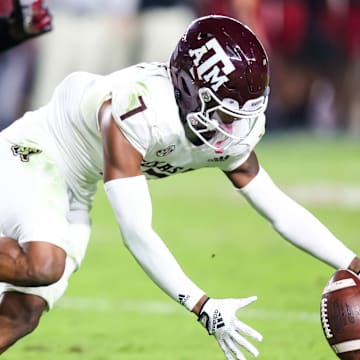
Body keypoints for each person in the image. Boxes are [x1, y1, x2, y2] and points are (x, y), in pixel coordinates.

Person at [0, 15, 359, 360]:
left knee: (23, 311)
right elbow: (136, 232)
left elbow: (278, 209)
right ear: (188, 88)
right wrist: (202, 306)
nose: (232, 129)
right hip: (36, 153)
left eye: (240, 115)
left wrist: (353, 263)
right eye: (224, 114)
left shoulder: (228, 129)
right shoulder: (139, 108)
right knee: (44, 264)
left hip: (77, 188)